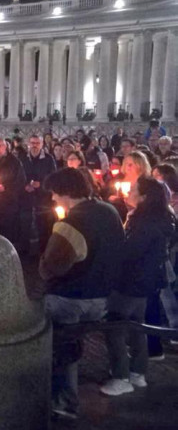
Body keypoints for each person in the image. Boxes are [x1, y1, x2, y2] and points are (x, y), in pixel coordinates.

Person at [40, 168, 125, 419]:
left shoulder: (70, 224)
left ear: (66, 192)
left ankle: (64, 402)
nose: (53, 199)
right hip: (103, 296)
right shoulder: (109, 211)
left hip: (72, 299)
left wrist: (53, 240)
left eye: (55, 193)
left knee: (61, 348)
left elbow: (50, 268)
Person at [101, 176, 175, 396]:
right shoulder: (157, 218)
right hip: (146, 282)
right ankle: (138, 373)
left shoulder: (144, 224)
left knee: (115, 327)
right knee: (136, 326)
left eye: (133, 189)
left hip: (130, 282)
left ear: (144, 197)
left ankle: (121, 377)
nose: (128, 191)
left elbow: (129, 253)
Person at [21, 135, 58, 254]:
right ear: (28, 144)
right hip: (26, 197)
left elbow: (52, 176)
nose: (34, 145)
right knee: (25, 223)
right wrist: (25, 185)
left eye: (37, 143)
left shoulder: (48, 159)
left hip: (43, 198)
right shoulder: (23, 158)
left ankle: (43, 251)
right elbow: (19, 176)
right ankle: (25, 251)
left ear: (42, 144)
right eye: (32, 143)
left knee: (43, 224)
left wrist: (41, 184)